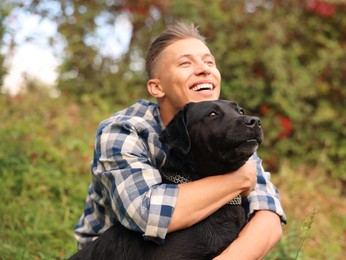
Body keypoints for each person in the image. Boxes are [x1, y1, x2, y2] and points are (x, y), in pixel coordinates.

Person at [74, 21, 286, 259]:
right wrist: (239, 179)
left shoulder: (226, 134)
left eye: (209, 62)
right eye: (185, 63)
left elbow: (269, 215)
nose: (204, 69)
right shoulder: (123, 129)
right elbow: (147, 214)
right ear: (157, 87)